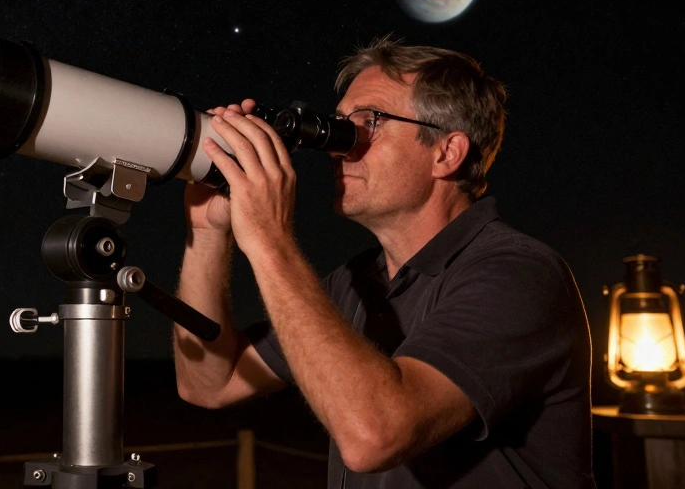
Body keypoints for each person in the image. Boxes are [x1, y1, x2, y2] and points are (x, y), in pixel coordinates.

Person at [173, 37, 593, 487]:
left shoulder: (519, 275)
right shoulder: (354, 283)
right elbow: (208, 383)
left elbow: (373, 437)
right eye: (339, 125)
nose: (339, 146)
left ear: (446, 153)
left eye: (369, 122)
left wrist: (269, 237)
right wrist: (208, 233)